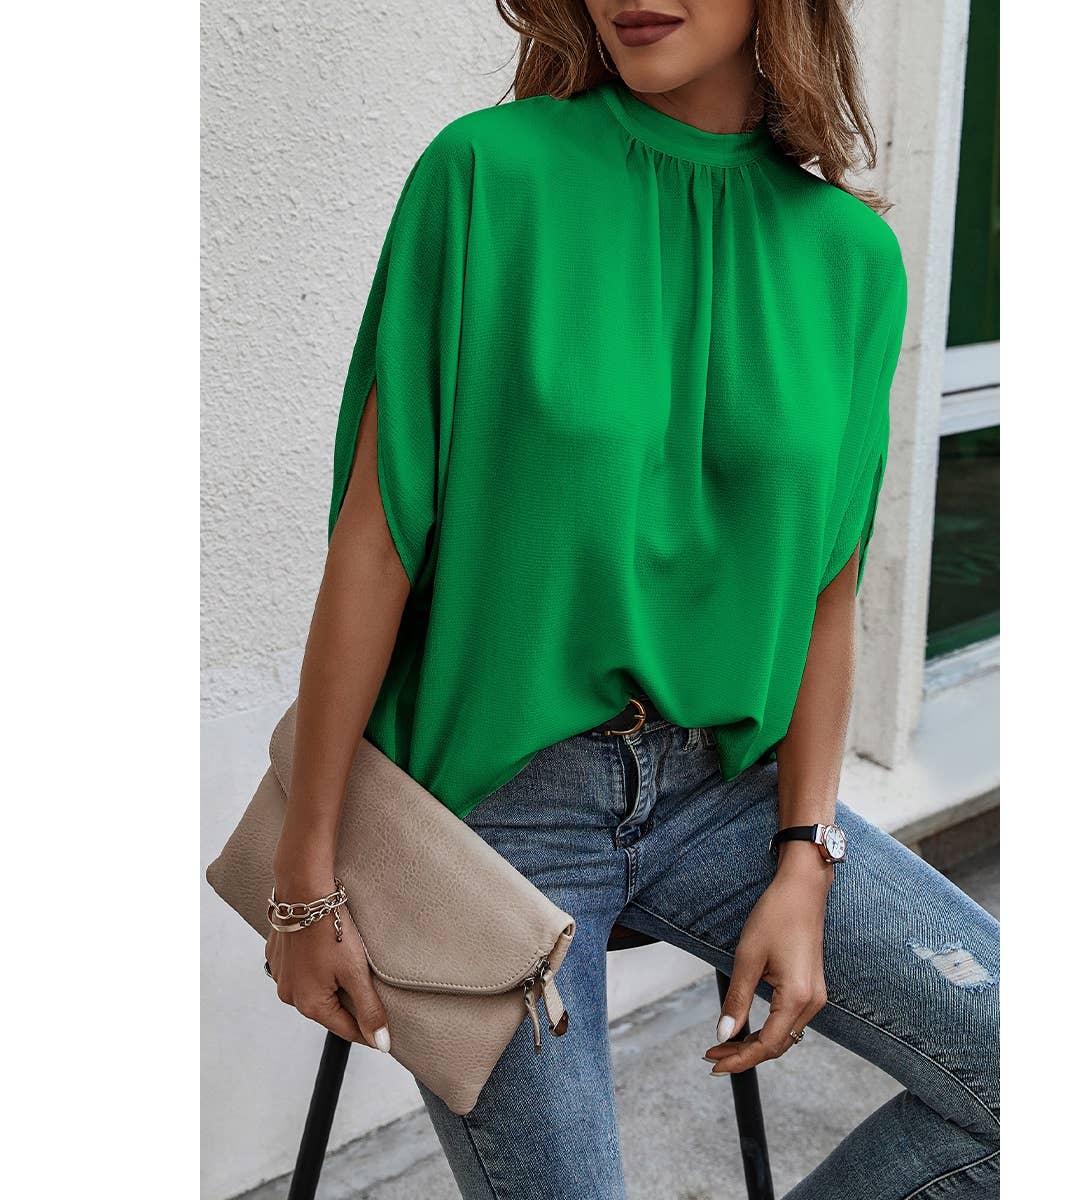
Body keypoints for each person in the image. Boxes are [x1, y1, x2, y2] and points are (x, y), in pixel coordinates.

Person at [264, 2, 1000, 1196]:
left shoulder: (852, 259)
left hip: (728, 797)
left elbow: (828, 591)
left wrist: (806, 857)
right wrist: (306, 881)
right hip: (499, 815)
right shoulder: (489, 176)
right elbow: (376, 543)